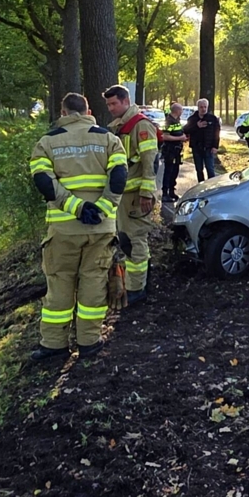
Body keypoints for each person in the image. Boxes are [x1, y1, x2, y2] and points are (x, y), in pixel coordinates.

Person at [28, 93, 127, 361]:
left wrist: (76, 208)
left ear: (63, 111)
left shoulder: (47, 142)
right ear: (88, 110)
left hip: (63, 231)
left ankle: (54, 345)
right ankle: (89, 342)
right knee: (94, 283)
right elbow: (119, 177)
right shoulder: (109, 139)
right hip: (100, 230)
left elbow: (44, 183)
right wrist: (103, 209)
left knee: (60, 285)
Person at [105, 85, 159, 305]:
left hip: (136, 196)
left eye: (114, 103)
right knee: (127, 240)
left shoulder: (140, 125)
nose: (110, 108)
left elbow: (150, 162)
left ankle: (138, 289)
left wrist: (146, 193)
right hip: (124, 196)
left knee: (135, 240)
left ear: (125, 101)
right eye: (108, 104)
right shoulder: (119, 126)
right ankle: (136, 282)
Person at [182, 98, 221, 182]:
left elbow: (217, 133)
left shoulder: (212, 118)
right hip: (197, 148)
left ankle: (212, 188)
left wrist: (215, 146)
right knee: (199, 169)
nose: (203, 109)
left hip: (209, 148)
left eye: (205, 107)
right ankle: (200, 187)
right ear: (198, 107)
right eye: (201, 107)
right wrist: (197, 126)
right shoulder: (192, 119)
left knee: (210, 169)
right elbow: (185, 130)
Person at [161, 103, 187, 201]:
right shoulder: (169, 121)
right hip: (170, 150)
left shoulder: (176, 120)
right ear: (177, 111)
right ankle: (165, 193)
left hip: (176, 151)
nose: (182, 112)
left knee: (175, 171)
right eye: (181, 110)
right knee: (168, 171)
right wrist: (180, 137)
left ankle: (171, 191)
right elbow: (165, 136)